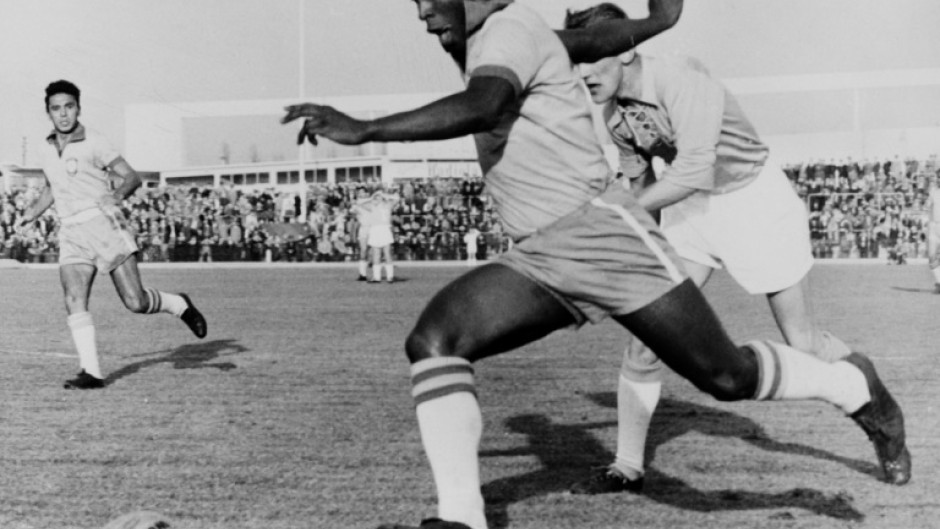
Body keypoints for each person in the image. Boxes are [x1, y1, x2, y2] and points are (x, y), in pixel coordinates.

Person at [281, 2, 909, 528]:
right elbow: (590, 39)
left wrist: (365, 130)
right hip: (540, 253)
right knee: (435, 340)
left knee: (726, 377)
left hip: (604, 236)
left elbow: (487, 106)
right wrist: (656, 18)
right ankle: (460, 517)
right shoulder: (510, 34)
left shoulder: (506, 31)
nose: (420, 13)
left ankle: (855, 389)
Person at [563, 2, 857, 495]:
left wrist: (611, 214)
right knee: (648, 333)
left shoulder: (678, 78)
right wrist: (628, 250)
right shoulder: (615, 116)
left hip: (752, 199)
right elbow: (644, 191)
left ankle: (865, 389)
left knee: (802, 343)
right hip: (691, 208)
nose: (584, 73)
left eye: (593, 57)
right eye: (577, 60)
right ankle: (627, 466)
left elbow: (692, 170)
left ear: (629, 50)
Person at [19, 80, 207, 390]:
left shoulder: (96, 141)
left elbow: (131, 177)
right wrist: (32, 213)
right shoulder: (45, 147)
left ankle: (178, 304)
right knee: (74, 297)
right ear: (48, 112)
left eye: (69, 107)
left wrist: (117, 196)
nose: (63, 114)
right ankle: (91, 373)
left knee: (136, 301)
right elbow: (52, 187)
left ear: (78, 108)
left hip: (104, 225)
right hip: (71, 231)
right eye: (56, 109)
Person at [367, 189, 400, 283]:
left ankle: (390, 276)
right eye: (377, 197)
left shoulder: (388, 205)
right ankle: (377, 277)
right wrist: (372, 196)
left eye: (379, 197)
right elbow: (359, 203)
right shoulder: (372, 206)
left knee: (387, 253)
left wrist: (385, 195)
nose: (378, 198)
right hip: (375, 229)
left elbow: (397, 198)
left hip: (385, 228)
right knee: (376, 254)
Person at [350, 186, 373, 280]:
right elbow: (352, 212)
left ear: (367, 193)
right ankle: (362, 274)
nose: (360, 195)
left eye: (362, 192)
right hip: (364, 228)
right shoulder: (356, 205)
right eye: (358, 193)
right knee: (363, 250)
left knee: (373, 251)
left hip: (374, 228)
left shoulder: (372, 202)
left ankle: (373, 269)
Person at [927, 176, 940, 292]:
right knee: (932, 256)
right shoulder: (933, 192)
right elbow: (927, 206)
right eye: (939, 177)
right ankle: (939, 282)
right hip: (933, 226)